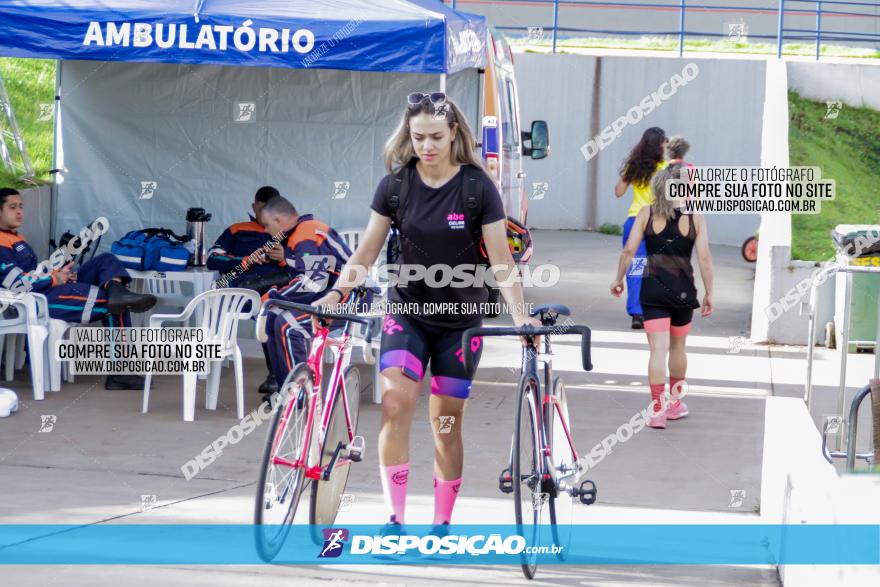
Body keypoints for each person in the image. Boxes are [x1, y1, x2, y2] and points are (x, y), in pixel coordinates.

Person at [310, 92, 540, 536]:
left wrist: (521, 316)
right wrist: (339, 291)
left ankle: (441, 523)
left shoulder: (477, 187)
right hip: (407, 312)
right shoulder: (395, 186)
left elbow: (500, 259)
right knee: (395, 404)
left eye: (436, 136)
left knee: (445, 425)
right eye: (418, 137)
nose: (427, 146)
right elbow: (368, 250)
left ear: (454, 132)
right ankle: (395, 518)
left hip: (460, 321)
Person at [0, 187, 157, 390]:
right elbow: (16, 284)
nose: (20, 211)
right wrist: (54, 279)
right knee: (114, 305)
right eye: (13, 207)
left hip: (45, 288)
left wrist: (58, 272)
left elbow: (32, 273)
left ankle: (117, 290)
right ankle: (120, 372)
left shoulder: (16, 237)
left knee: (105, 260)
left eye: (21, 206)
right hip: (36, 301)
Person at [610, 164, 714, 428]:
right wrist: (709, 293)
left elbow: (629, 251)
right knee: (678, 348)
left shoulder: (646, 213)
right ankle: (675, 405)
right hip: (683, 292)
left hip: (652, 290)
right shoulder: (695, 218)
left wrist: (619, 278)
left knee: (657, 349)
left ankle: (657, 410)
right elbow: (704, 259)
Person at [259, 195, 354, 392]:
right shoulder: (298, 233)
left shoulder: (306, 236)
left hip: (352, 297)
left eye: (267, 225)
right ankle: (285, 389)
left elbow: (314, 281)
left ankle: (300, 393)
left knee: (288, 326)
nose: (266, 231)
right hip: (329, 296)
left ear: (278, 221)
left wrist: (275, 297)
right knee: (273, 317)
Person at [207, 185, 294, 395]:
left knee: (277, 311)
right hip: (243, 291)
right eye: (262, 210)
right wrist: (246, 260)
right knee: (271, 308)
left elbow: (305, 265)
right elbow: (212, 258)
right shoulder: (237, 230)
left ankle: (281, 376)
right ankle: (277, 375)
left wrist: (284, 259)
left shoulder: (288, 234)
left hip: (275, 289)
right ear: (254, 206)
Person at [614, 127, 668, 330]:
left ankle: (637, 313)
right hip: (659, 222)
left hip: (635, 220)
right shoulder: (667, 167)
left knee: (637, 266)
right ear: (661, 144)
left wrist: (629, 175)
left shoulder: (635, 166)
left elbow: (618, 192)